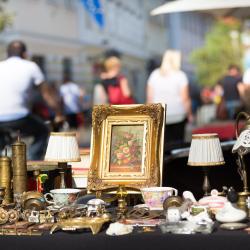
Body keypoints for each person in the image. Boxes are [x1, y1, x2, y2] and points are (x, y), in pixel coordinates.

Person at [0, 40, 63, 160]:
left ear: (7, 54)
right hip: (20, 117)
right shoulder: (31, 66)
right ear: (24, 54)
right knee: (43, 131)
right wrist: (59, 114)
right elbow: (47, 95)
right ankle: (31, 164)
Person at [147, 50, 193, 150]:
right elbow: (185, 98)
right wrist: (189, 114)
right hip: (178, 114)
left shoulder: (154, 75)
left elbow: (150, 98)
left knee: (162, 145)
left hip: (160, 114)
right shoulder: (180, 75)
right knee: (178, 144)